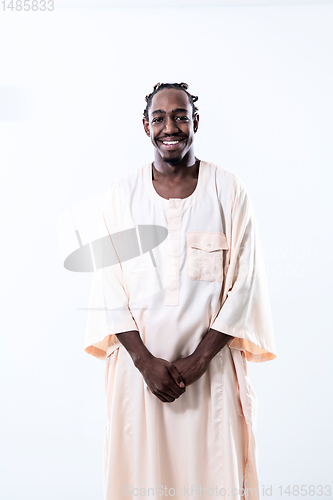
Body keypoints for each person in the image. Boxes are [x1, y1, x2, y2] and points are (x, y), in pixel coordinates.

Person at [84, 82, 277, 500]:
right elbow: (108, 285)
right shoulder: (122, 195)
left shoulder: (228, 190)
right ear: (145, 126)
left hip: (209, 376)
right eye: (159, 117)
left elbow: (246, 282)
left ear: (195, 121)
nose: (169, 126)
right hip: (140, 377)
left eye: (179, 115)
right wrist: (143, 361)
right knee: (140, 480)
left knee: (213, 479)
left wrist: (201, 359)